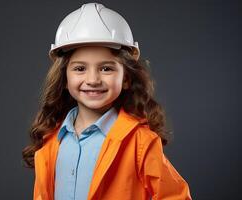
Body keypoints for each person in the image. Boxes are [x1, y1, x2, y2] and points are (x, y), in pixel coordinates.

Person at [22, 3, 192, 200]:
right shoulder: (51, 139)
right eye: (79, 69)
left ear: (126, 78)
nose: (93, 80)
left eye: (106, 69)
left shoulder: (141, 142)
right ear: (65, 80)